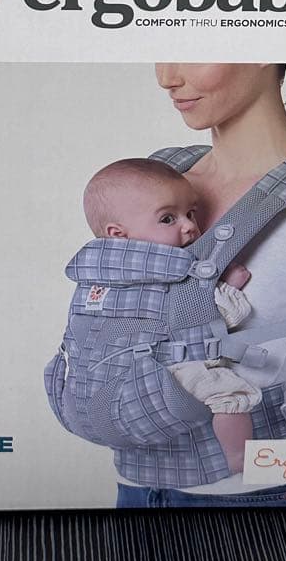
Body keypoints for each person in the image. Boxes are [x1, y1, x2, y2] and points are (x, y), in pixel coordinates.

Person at [115, 62, 286, 509]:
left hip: (250, 496)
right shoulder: (157, 181)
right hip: (133, 481)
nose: (167, 77)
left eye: (192, 53)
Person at [83, 157, 262, 473]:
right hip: (164, 371)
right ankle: (238, 457)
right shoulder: (171, 271)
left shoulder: (94, 275)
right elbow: (206, 320)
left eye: (191, 213)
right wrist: (229, 288)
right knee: (229, 394)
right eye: (168, 219)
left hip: (107, 381)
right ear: (118, 234)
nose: (190, 225)